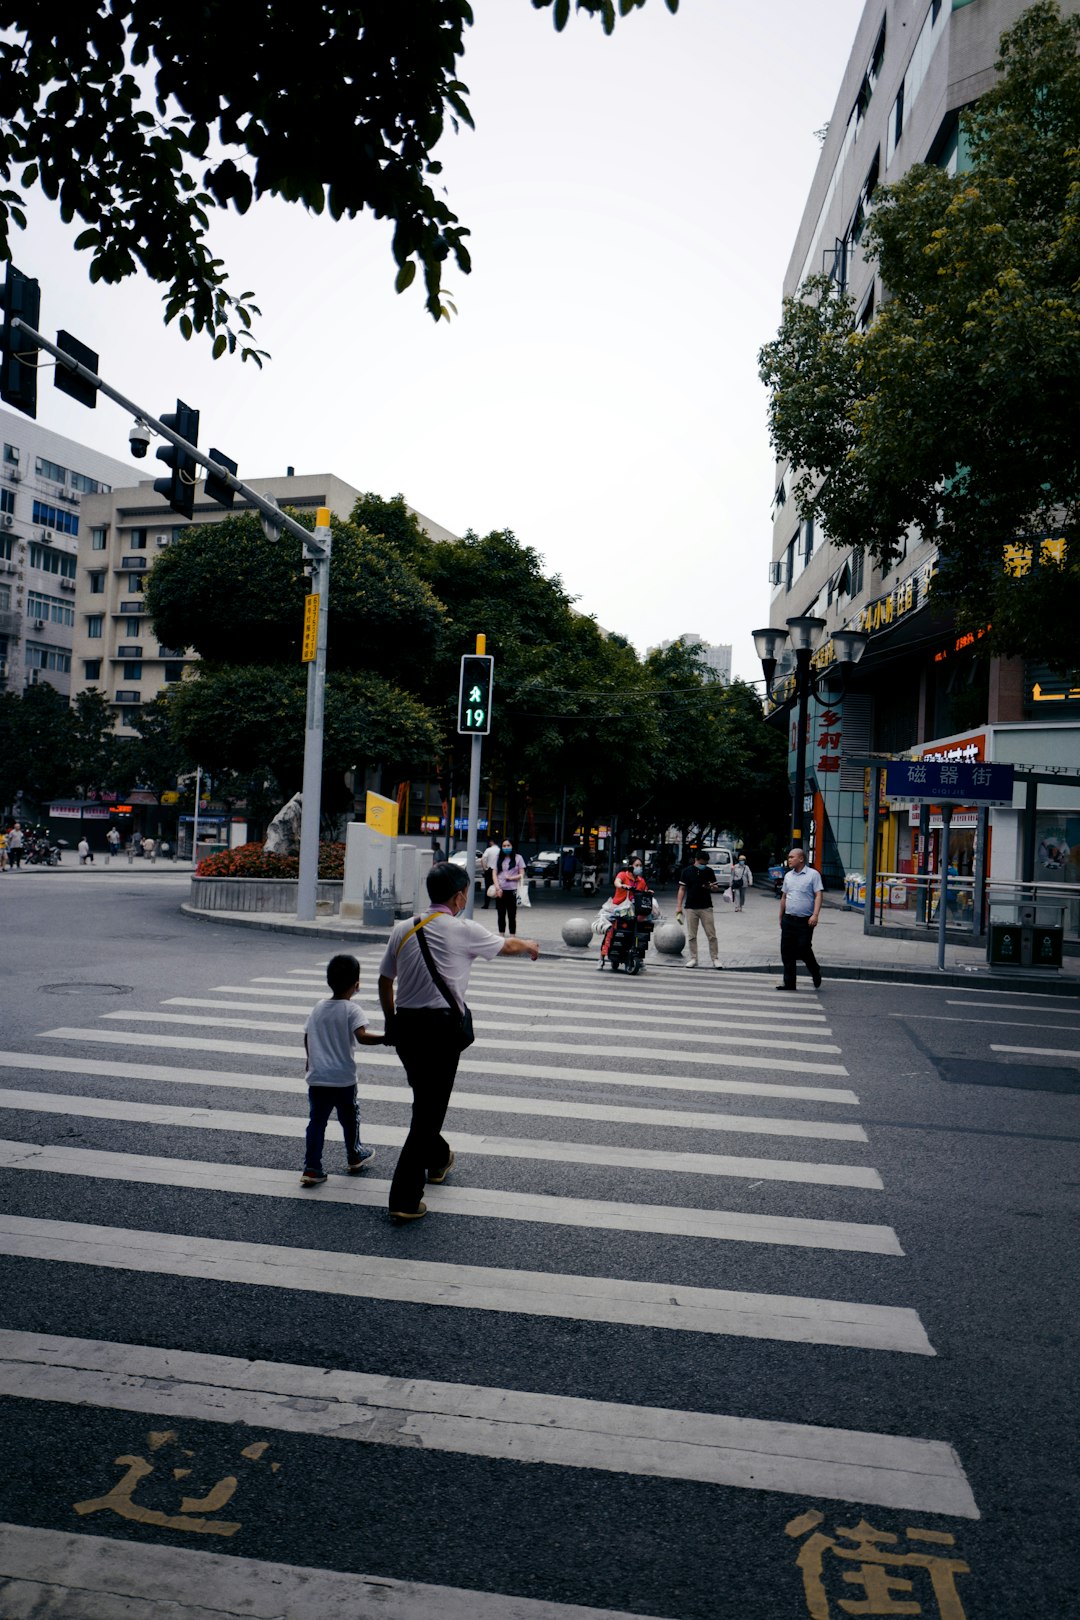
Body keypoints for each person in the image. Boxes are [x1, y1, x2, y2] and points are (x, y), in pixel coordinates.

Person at [379, 861, 539, 1221]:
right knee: (427, 1115)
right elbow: (506, 945)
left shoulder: (402, 929)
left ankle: (439, 1160)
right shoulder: (462, 929)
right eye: (467, 890)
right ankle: (404, 1199)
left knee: (425, 1101)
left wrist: (392, 1024)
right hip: (440, 1031)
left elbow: (384, 980)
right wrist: (528, 944)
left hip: (407, 1029)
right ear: (459, 895)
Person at [300, 953, 387, 1187]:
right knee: (350, 1119)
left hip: (318, 1078)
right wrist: (386, 1039)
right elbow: (362, 1037)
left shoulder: (318, 1007)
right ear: (357, 985)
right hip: (343, 1080)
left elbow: (307, 1036)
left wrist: (310, 1061)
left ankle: (312, 1167)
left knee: (316, 1122)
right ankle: (354, 1154)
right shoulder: (352, 1010)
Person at [777, 847, 823, 991]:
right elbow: (784, 896)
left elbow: (818, 895)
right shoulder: (788, 876)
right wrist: (781, 915)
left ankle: (815, 970)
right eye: (789, 857)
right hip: (789, 919)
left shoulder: (813, 875)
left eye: (792, 857)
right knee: (786, 951)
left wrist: (815, 915)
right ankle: (789, 983)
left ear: (801, 859)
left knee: (803, 949)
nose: (789, 860)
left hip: (805, 920)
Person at [675, 848, 721, 969]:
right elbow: (682, 889)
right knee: (691, 935)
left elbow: (716, 888)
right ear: (696, 860)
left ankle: (715, 958)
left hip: (706, 906)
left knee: (711, 934)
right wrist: (678, 906)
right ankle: (693, 958)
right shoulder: (687, 871)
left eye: (705, 864)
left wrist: (712, 886)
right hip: (691, 907)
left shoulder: (709, 871)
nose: (703, 866)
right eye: (701, 863)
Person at [492, 838, 527, 936]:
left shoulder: (518, 858)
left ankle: (512, 936)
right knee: (501, 914)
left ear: (512, 846)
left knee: (512, 915)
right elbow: (494, 873)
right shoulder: (498, 857)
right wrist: (497, 888)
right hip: (500, 890)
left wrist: (512, 878)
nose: (506, 847)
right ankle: (501, 936)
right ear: (501, 847)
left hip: (513, 890)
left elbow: (522, 874)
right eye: (504, 846)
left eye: (508, 845)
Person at [480, 836, 500, 910]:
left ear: (491, 842)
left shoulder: (488, 850)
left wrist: (484, 868)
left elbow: (482, 859)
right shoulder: (500, 850)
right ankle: (497, 905)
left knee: (488, 888)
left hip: (489, 870)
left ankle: (486, 905)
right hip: (497, 871)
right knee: (497, 887)